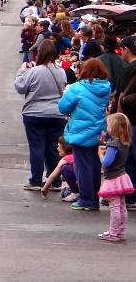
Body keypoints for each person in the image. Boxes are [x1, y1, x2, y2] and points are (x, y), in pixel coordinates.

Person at [15, 41, 68, 191]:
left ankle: (36, 180)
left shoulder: (34, 71)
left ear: (39, 54)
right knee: (53, 147)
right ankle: (55, 180)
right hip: (57, 113)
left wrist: (21, 71)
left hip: (34, 113)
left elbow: (20, 87)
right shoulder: (61, 71)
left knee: (37, 147)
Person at [59, 58, 112, 211]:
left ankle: (87, 199)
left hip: (80, 131)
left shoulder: (77, 88)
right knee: (95, 165)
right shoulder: (106, 87)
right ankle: (94, 197)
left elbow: (63, 107)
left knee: (82, 166)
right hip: (97, 130)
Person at [97, 113, 134, 242]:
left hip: (113, 178)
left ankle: (113, 233)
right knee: (122, 205)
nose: (107, 127)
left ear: (113, 127)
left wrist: (101, 154)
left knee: (114, 207)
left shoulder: (114, 144)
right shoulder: (125, 142)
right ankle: (121, 231)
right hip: (122, 177)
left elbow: (107, 162)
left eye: (108, 124)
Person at [111, 35, 136, 209]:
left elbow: (123, 94)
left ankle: (129, 195)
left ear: (126, 50)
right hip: (130, 119)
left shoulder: (131, 69)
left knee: (128, 158)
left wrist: (124, 101)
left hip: (130, 119)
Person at [40, 136, 79, 202]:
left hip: (80, 184)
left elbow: (52, 176)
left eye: (59, 146)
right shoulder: (78, 155)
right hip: (88, 185)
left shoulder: (65, 159)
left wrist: (45, 188)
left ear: (64, 147)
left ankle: (75, 193)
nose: (57, 148)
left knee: (65, 169)